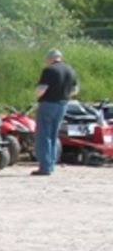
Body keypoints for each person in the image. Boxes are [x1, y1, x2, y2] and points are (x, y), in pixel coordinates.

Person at [31, 48, 79, 176]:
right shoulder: (70, 70)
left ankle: (45, 167)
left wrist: (36, 94)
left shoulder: (49, 70)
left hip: (48, 104)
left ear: (50, 58)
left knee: (43, 135)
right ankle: (51, 164)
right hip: (63, 104)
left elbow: (42, 89)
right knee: (53, 135)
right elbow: (74, 90)